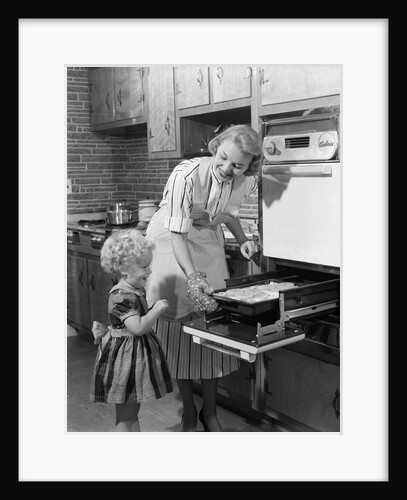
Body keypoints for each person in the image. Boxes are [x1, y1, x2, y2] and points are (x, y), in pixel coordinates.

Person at [145, 124, 263, 432]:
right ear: (216, 146)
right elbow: (177, 234)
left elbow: (228, 214)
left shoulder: (244, 181)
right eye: (223, 158)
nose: (227, 169)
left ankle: (209, 412)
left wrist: (243, 240)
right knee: (179, 327)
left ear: (250, 166)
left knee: (211, 322)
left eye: (237, 165)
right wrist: (193, 275)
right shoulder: (185, 176)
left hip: (207, 237)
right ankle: (188, 409)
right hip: (173, 241)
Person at [89, 229, 173, 432]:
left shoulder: (132, 290)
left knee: (131, 413)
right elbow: (137, 328)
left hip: (132, 358)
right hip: (126, 361)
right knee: (126, 417)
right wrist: (157, 309)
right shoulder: (121, 296)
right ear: (125, 269)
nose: (149, 271)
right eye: (145, 267)